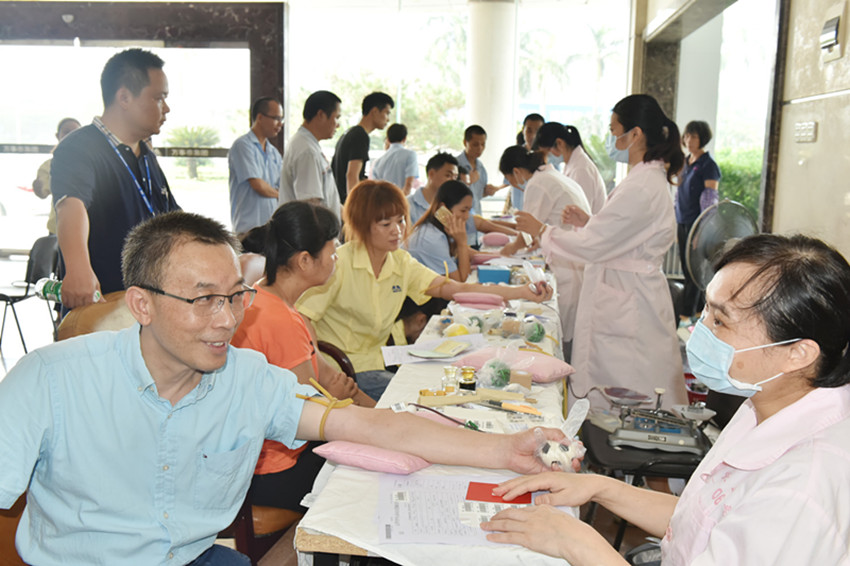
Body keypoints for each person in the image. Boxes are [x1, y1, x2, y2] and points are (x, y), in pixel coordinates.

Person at [0, 209, 566, 565]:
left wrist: (503, 449)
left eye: (235, 296)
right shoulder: (51, 380)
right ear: (142, 304)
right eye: (204, 299)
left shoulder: (245, 378)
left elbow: (366, 423)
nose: (226, 319)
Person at [481, 233, 850, 566]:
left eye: (720, 321)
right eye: (706, 311)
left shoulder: (802, 489)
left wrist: (577, 542)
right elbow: (701, 519)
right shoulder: (769, 401)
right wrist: (600, 488)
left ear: (797, 353)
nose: (700, 330)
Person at [297, 180, 553, 401]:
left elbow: (456, 288)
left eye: (400, 221)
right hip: (342, 371)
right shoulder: (339, 264)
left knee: (445, 385)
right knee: (419, 398)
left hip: (379, 361)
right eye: (386, 224)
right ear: (363, 225)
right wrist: (324, 372)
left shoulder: (400, 262)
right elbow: (301, 320)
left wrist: (522, 292)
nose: (397, 230)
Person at [514, 94, 687, 408]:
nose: (612, 140)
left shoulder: (642, 185)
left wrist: (542, 230)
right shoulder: (642, 179)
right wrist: (590, 222)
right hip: (623, 285)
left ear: (635, 134)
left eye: (614, 131)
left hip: (629, 295)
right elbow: (621, 234)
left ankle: (619, 432)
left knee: (628, 381)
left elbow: (594, 245)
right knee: (617, 378)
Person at [231, 201, 374, 525]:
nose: (336, 260)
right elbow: (308, 406)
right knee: (365, 481)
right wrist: (350, 407)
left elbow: (326, 377)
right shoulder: (278, 319)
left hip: (277, 451)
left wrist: (382, 413)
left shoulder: (270, 300)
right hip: (271, 467)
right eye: (332, 252)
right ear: (305, 260)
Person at [52, 48, 178, 309]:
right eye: (159, 98)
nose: (166, 108)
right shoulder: (80, 147)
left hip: (146, 306)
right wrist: (77, 269)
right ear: (124, 97)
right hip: (100, 307)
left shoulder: (146, 156)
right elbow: (70, 205)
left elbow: (173, 219)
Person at [497, 146, 590, 346]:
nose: (515, 186)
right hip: (574, 255)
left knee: (561, 333)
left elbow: (528, 228)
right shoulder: (550, 175)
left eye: (511, 181)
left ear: (516, 172)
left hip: (567, 260)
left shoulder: (537, 183)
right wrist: (536, 239)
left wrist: (509, 250)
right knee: (569, 330)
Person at [676, 120, 721, 323]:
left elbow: (710, 200)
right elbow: (678, 194)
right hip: (682, 221)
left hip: (697, 224)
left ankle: (687, 314)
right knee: (686, 270)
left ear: (702, 138)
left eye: (693, 136)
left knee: (694, 271)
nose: (689, 140)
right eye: (686, 136)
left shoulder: (708, 165)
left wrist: (702, 230)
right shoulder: (685, 162)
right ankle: (694, 313)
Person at [279, 90, 342, 217]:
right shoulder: (307, 151)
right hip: (311, 229)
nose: (338, 125)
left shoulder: (307, 144)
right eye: (336, 117)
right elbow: (310, 205)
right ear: (321, 115)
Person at [228, 96, 283, 235]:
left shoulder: (274, 153)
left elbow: (282, 184)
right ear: (260, 117)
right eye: (276, 118)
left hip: (270, 230)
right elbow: (258, 186)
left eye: (281, 119)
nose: (280, 124)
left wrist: (278, 192)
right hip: (248, 231)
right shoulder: (242, 146)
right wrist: (279, 194)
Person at [331, 91, 394, 204]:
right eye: (387, 113)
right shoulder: (360, 136)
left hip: (338, 202)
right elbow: (352, 175)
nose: (388, 119)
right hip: (346, 204)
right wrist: (355, 207)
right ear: (375, 111)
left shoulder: (349, 133)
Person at [407, 180, 474, 281]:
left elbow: (468, 253)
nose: (467, 216)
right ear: (443, 208)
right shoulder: (431, 238)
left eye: (469, 210)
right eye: (463, 210)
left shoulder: (439, 230)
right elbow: (463, 282)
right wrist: (462, 243)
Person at [534, 122, 607, 214]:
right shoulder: (572, 164)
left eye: (548, 153)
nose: (547, 158)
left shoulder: (581, 170)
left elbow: (582, 212)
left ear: (560, 143)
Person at [31, 117, 81, 234]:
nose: (71, 136)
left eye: (75, 132)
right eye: (66, 132)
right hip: (57, 228)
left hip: (84, 226)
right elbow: (42, 192)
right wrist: (38, 188)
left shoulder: (90, 163)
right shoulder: (48, 165)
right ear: (57, 136)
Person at [455, 125, 500, 216]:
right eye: (475, 144)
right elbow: (449, 194)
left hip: (477, 217)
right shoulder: (455, 165)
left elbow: (477, 195)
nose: (480, 148)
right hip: (459, 217)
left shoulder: (481, 168)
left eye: (483, 144)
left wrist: (487, 192)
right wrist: (468, 181)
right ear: (465, 143)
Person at [371, 123, 418, 195]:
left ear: (388, 139)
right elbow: (409, 184)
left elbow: (375, 188)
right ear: (405, 139)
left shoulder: (378, 162)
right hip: (401, 199)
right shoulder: (410, 155)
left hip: (383, 200)